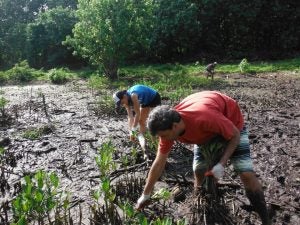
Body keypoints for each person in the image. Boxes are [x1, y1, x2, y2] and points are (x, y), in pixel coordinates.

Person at [136, 91, 270, 225]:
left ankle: (266, 220)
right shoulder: (168, 128)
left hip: (231, 122)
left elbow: (234, 135)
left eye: (163, 136)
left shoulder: (203, 117)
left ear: (175, 126)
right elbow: (159, 163)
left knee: (245, 173)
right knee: (199, 171)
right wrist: (146, 194)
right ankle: (204, 211)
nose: (162, 139)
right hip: (205, 132)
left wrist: (222, 164)